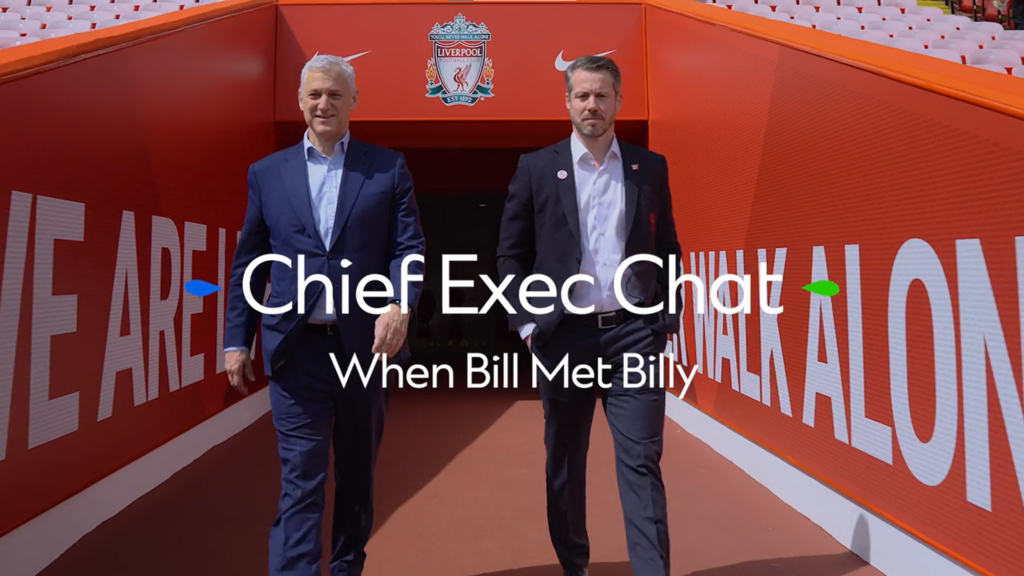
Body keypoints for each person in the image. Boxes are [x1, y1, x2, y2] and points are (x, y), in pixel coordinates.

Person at [223, 53, 425, 575]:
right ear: (299, 102)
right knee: (300, 479)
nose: (324, 103)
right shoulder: (267, 174)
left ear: (354, 102)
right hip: (297, 349)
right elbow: (249, 262)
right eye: (314, 94)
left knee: (356, 477)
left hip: (364, 352)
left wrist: (400, 303)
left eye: (335, 94)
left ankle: (344, 568)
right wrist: (235, 339)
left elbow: (409, 249)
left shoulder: (387, 167)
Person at [496, 55, 681, 576]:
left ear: (619, 101)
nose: (592, 105)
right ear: (567, 102)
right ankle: (574, 565)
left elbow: (666, 247)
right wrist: (529, 325)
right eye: (582, 95)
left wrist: (663, 318)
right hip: (563, 339)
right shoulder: (535, 168)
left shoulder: (650, 167)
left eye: (602, 95)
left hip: (632, 335)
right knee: (565, 465)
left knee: (642, 462)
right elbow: (510, 254)